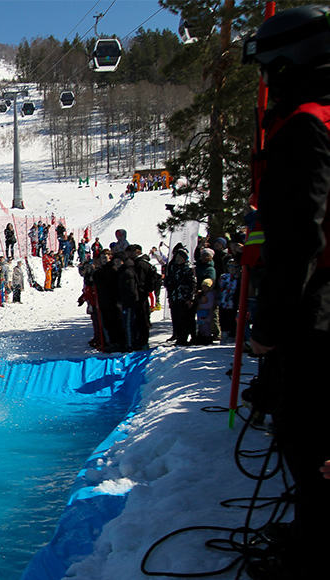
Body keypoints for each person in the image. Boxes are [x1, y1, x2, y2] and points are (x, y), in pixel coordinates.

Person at [244, 9, 330, 576]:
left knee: (309, 443)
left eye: (269, 71)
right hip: (319, 309)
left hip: (315, 319)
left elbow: (298, 238)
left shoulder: (305, 125)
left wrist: (269, 329)